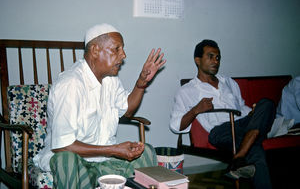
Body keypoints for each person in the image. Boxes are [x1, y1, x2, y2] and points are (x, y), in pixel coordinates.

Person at [33, 23, 166, 188]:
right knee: (65, 160)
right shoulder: (71, 84)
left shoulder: (111, 79)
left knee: (146, 151)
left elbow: (128, 110)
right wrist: (113, 149)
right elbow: (63, 146)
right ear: (95, 50)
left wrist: (141, 83)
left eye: (122, 49)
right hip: (76, 164)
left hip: (105, 162)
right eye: (116, 49)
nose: (123, 55)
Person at [170, 39, 275, 189]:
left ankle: (239, 157)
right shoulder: (187, 91)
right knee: (255, 147)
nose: (215, 61)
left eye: (218, 57)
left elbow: (241, 107)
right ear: (197, 60)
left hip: (244, 126)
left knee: (266, 103)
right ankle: (241, 158)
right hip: (221, 132)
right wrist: (195, 110)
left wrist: (254, 112)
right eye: (210, 56)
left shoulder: (229, 82)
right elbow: (175, 126)